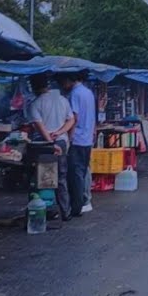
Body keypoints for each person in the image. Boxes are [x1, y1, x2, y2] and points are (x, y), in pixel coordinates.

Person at [26, 74, 74, 222]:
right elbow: (71, 120)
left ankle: (44, 211)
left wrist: (51, 144)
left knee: (43, 179)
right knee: (61, 178)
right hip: (61, 141)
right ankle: (65, 212)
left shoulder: (35, 104)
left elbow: (40, 128)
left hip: (44, 145)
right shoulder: (62, 100)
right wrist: (60, 132)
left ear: (33, 87)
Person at [59, 72, 96, 217]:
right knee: (83, 170)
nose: (62, 85)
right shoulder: (88, 92)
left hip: (78, 138)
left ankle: (77, 206)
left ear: (69, 79)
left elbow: (74, 118)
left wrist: (69, 137)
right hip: (87, 138)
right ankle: (85, 201)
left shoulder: (74, 94)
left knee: (76, 174)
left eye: (63, 82)